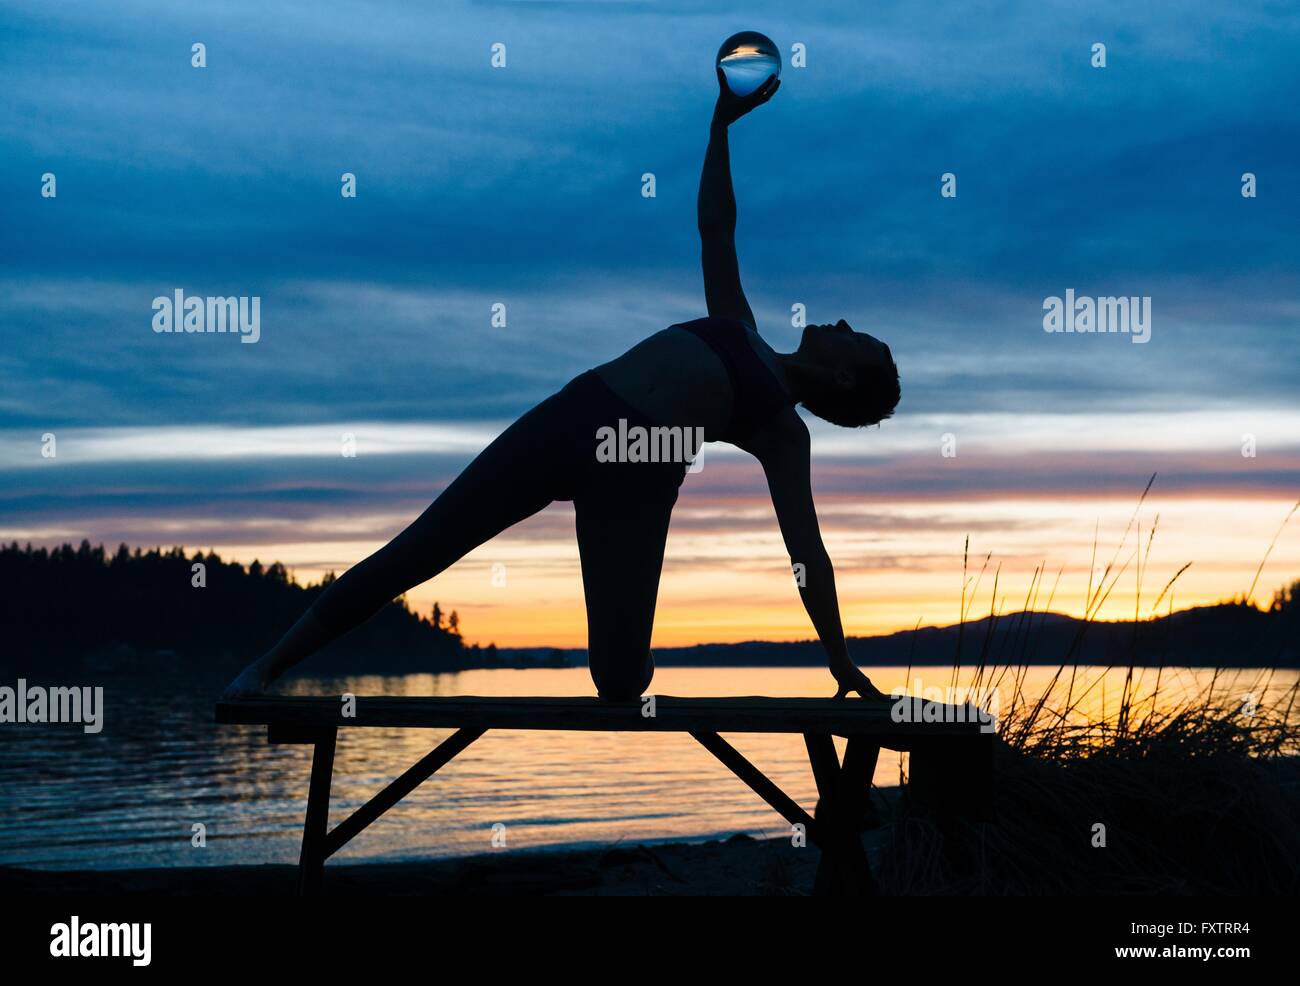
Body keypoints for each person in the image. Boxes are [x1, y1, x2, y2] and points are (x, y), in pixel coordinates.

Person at [223, 69, 899, 703]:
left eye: (856, 336)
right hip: (573, 420)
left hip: (640, 475)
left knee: (618, 683)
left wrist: (840, 660)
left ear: (844, 374)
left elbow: (807, 552)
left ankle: (636, 664)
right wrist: (719, 127)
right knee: (421, 548)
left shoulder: (783, 429)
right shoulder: (739, 327)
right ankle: (262, 670)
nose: (842, 322)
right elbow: (716, 226)